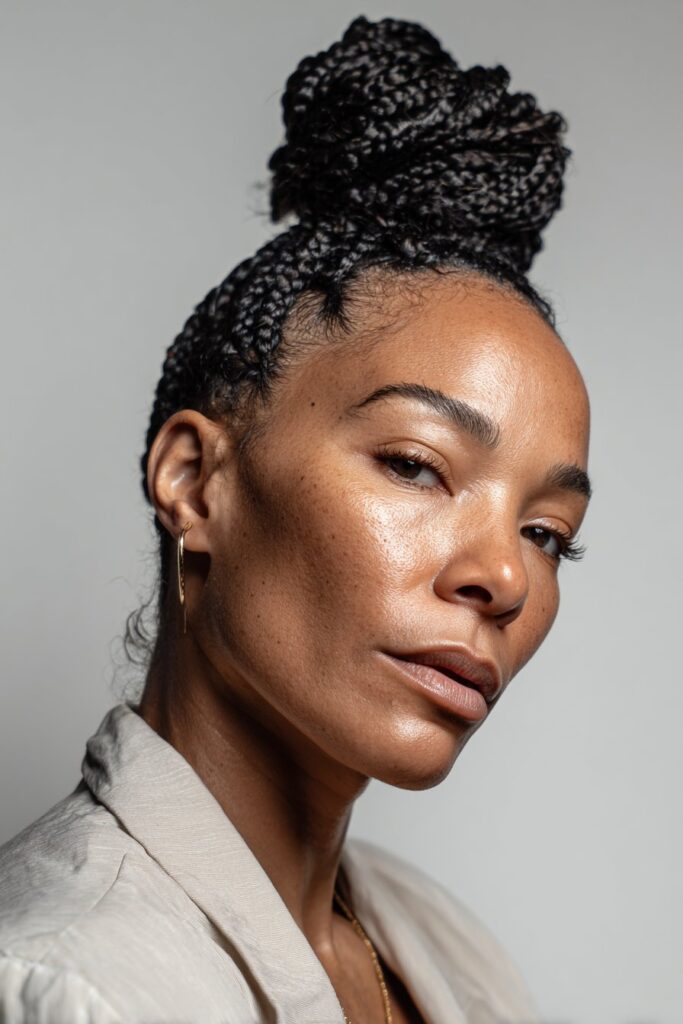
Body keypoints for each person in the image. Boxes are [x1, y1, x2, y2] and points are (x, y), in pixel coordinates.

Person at [0, 15, 591, 1024]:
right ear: (195, 480)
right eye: (415, 465)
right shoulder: (65, 983)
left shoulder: (453, 949)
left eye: (545, 530)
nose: (503, 576)